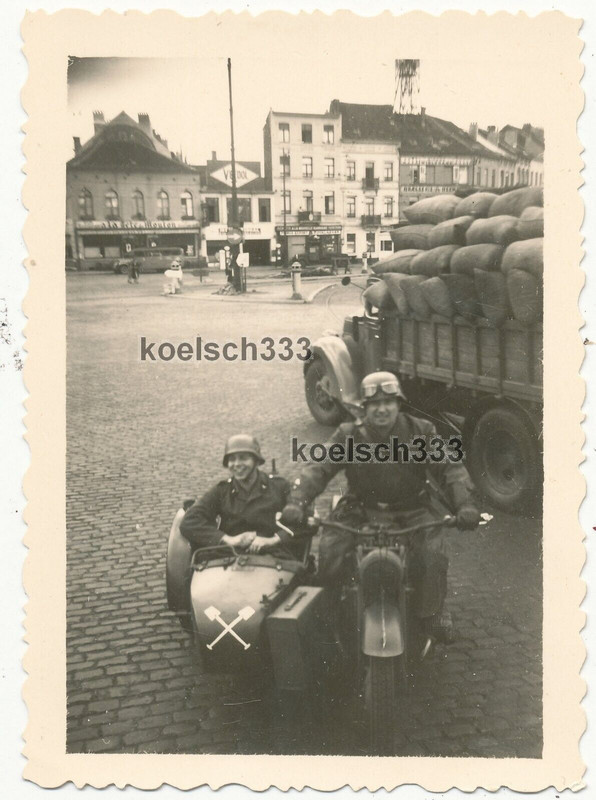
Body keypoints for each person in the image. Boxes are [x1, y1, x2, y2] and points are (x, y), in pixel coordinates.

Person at [280, 371, 480, 642]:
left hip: (413, 509)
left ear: (399, 403)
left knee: (432, 557)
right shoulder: (349, 434)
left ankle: (432, 614)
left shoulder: (421, 431)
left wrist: (464, 505)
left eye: (389, 402)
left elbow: (450, 468)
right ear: (365, 407)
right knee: (331, 553)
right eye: (374, 404)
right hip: (361, 508)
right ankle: (332, 614)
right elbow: (320, 468)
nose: (382, 409)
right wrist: (297, 502)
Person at [180, 434, 294, 555]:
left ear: (256, 461)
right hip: (230, 557)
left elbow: (305, 521)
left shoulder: (279, 486)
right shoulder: (222, 491)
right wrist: (228, 539)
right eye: (232, 459)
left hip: (273, 556)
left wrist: (272, 540)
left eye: (243, 458)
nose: (237, 464)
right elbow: (189, 521)